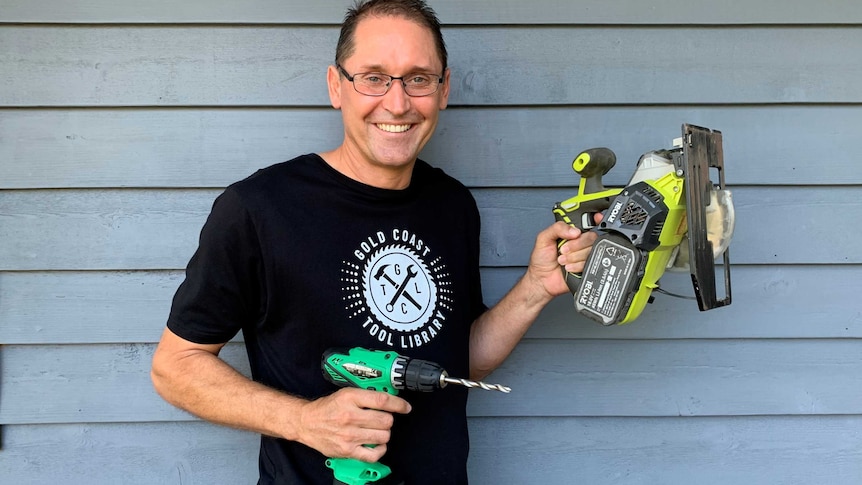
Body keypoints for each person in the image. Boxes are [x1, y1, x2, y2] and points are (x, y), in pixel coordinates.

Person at [150, 0, 598, 483]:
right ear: (335, 86)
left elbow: (456, 361)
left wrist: (535, 287)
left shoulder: (451, 205)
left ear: (443, 89)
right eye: (374, 77)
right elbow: (175, 368)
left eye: (418, 79)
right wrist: (304, 421)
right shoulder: (259, 209)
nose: (398, 102)